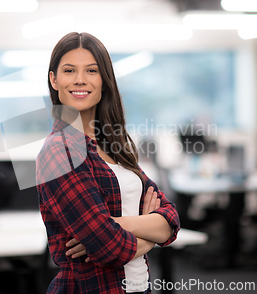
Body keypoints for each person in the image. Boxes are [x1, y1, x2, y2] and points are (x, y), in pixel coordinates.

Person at [36, 32, 180, 294]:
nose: (80, 79)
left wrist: (114, 224)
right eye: (69, 70)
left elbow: (170, 219)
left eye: (91, 70)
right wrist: (148, 229)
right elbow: (108, 247)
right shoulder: (60, 151)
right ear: (54, 79)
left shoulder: (114, 145)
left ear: (104, 80)